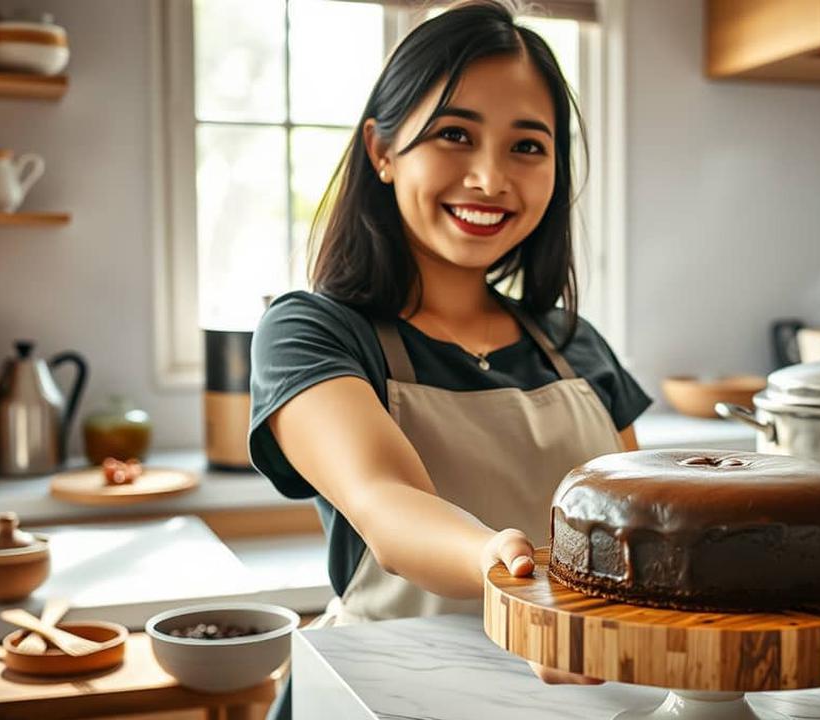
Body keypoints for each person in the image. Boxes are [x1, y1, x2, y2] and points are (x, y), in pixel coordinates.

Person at [248, 1, 651, 715]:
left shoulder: (575, 346)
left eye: (527, 146)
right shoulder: (315, 333)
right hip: (376, 698)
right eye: (454, 135)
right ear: (381, 150)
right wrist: (511, 575)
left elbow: (641, 531)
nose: (490, 178)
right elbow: (386, 501)